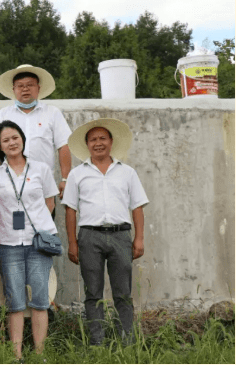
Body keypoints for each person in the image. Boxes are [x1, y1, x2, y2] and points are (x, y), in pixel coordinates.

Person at [62, 118, 148, 346]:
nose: (98, 143)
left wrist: (138, 238)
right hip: (89, 237)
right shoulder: (77, 174)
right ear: (87, 145)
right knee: (93, 293)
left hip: (121, 235)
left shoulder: (127, 172)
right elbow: (70, 211)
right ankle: (97, 343)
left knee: (123, 292)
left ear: (111, 142)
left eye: (102, 138)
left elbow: (137, 207)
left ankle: (128, 341)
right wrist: (72, 242)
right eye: (93, 140)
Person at [0, 120, 59, 359]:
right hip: (7, 243)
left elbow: (50, 203)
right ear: (0, 147)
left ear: (22, 140)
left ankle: (40, 354)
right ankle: (16, 355)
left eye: (15, 137)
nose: (12, 143)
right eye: (5, 140)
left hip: (39, 243)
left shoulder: (41, 169)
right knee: (15, 300)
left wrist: (36, 225)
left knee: (40, 299)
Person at [0, 65, 72, 199]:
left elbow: (63, 146)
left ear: (38, 88)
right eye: (20, 86)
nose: (25, 89)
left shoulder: (52, 113)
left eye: (30, 85)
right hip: (9, 185)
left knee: (45, 218)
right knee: (11, 220)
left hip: (43, 185)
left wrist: (65, 179)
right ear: (13, 89)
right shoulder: (3, 115)